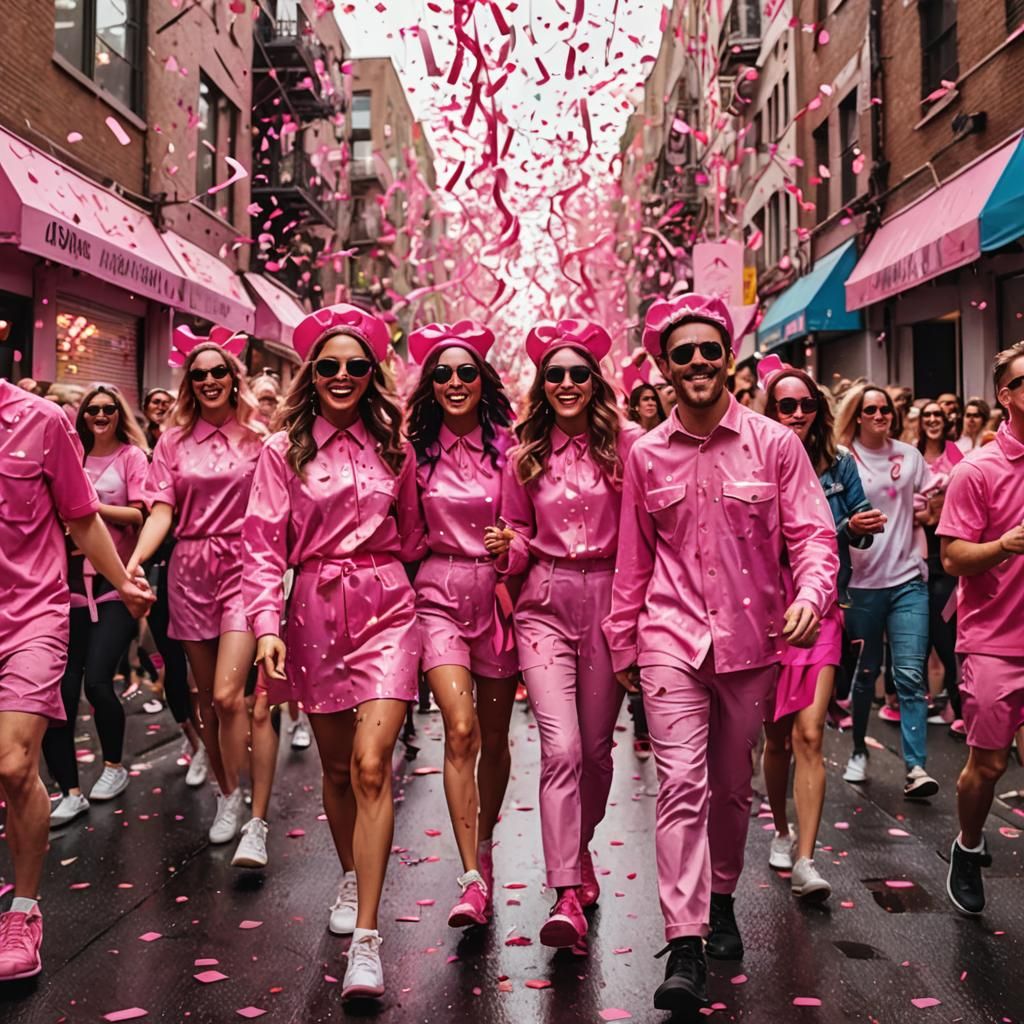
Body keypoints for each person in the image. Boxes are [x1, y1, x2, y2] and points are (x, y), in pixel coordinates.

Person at [602, 294, 838, 1014]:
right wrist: (622, 642)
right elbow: (633, 560)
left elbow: (815, 538)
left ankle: (724, 894)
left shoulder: (776, 444)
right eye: (684, 354)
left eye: (711, 351)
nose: (699, 363)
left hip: (753, 643)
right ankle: (685, 941)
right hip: (668, 640)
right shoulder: (644, 454)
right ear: (664, 368)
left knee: (732, 788)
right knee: (680, 785)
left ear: (727, 360)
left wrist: (812, 596)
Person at [243, 304, 422, 1000]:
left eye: (355, 365)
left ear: (371, 373)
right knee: (340, 770)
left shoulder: (396, 447)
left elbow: (412, 532)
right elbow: (261, 547)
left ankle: (369, 942)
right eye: (329, 365)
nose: (343, 375)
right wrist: (265, 625)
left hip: (387, 605)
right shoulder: (280, 450)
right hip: (312, 609)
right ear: (310, 374)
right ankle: (351, 873)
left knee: (375, 764)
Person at [486, 318, 639, 950]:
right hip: (544, 605)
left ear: (593, 380)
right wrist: (508, 546)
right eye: (556, 375)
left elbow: (643, 539)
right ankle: (565, 892)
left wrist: (634, 617)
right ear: (542, 384)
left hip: (609, 603)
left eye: (579, 373)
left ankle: (580, 852)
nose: (568, 383)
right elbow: (517, 535)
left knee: (599, 754)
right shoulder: (524, 456)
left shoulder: (630, 447)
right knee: (562, 749)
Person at [0, 377, 152, 981]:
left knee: (14, 764)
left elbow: (81, 516)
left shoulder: (42, 420)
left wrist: (121, 583)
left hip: (35, 613)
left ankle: (24, 911)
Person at [128, 339, 265, 855]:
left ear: (233, 378)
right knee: (205, 698)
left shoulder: (258, 439)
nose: (209, 381)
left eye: (218, 372)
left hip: (245, 569)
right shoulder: (172, 441)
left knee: (231, 697)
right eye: (199, 374)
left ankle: (244, 802)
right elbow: (160, 511)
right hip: (189, 570)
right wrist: (135, 561)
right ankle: (227, 793)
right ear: (191, 383)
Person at [405, 320, 519, 930]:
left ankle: (486, 849)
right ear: (430, 384)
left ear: (483, 381)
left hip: (497, 603)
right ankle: (470, 876)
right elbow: (401, 531)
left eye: (465, 372)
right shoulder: (411, 452)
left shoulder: (512, 449)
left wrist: (514, 542)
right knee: (462, 728)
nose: (454, 382)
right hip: (437, 598)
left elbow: (530, 526)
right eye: (442, 373)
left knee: (496, 741)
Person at [761, 365, 885, 902]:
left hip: (822, 609)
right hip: (764, 616)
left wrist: (862, 526)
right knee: (776, 739)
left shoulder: (840, 466)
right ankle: (783, 832)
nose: (795, 416)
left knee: (810, 734)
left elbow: (857, 536)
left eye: (804, 406)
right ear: (770, 412)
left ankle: (808, 859)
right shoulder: (752, 460)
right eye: (784, 407)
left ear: (818, 410)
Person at [939, 342, 1024, 915]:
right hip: (993, 641)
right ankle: (967, 846)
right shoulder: (978, 470)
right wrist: (1002, 546)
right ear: (1006, 394)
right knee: (989, 766)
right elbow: (951, 559)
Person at [42, 386, 151, 825]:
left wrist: (90, 510)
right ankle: (69, 790)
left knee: (99, 682)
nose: (100, 415)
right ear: (82, 416)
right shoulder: (72, 455)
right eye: (93, 410)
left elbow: (140, 514)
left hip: (114, 585)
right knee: (60, 695)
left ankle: (113, 766)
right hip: (66, 589)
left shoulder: (131, 457)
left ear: (117, 414)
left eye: (108, 409)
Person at [835, 384, 938, 798]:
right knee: (865, 674)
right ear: (857, 415)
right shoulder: (842, 459)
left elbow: (925, 506)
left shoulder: (909, 456)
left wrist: (925, 511)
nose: (881, 415)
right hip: (860, 586)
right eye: (871, 409)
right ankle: (859, 749)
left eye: (886, 409)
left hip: (907, 580)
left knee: (910, 675)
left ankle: (916, 768)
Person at [917, 400, 964, 731]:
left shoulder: (957, 455)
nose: (933, 420)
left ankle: (961, 709)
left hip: (947, 555)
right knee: (925, 635)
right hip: (915, 555)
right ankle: (929, 700)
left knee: (946, 635)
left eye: (938, 415)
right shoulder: (908, 455)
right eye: (927, 415)